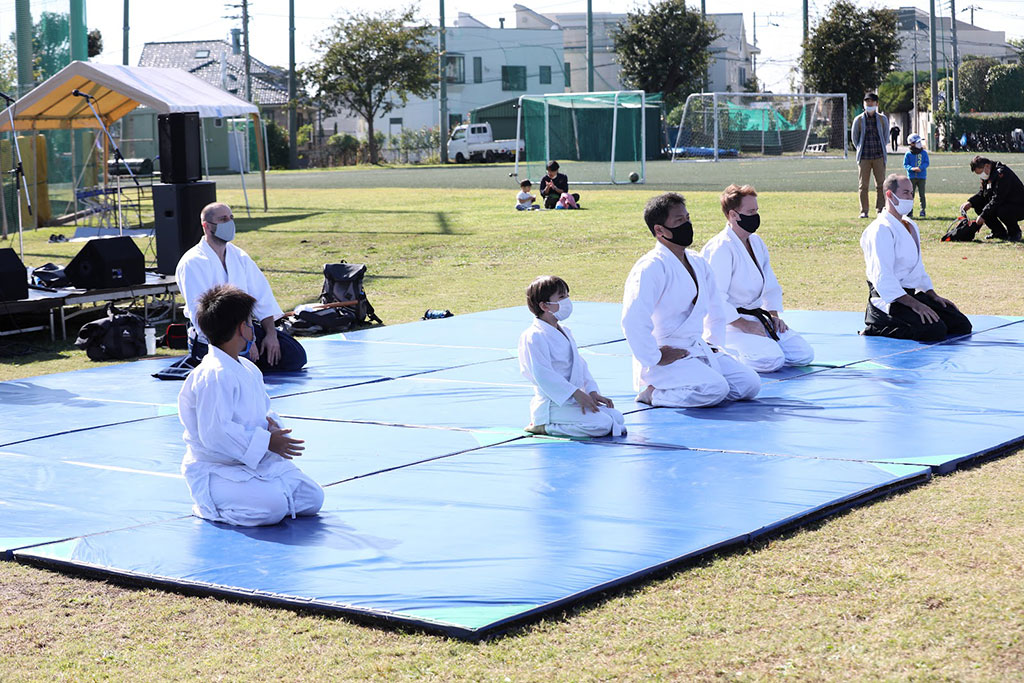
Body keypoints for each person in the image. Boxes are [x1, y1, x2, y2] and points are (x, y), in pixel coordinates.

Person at [178, 284, 324, 526]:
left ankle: (261, 491)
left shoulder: (248, 368)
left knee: (312, 497)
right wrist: (267, 442)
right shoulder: (214, 374)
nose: (253, 327)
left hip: (255, 459)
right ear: (241, 328)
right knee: (274, 508)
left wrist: (273, 429)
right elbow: (215, 433)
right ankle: (208, 505)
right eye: (250, 321)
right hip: (216, 468)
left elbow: (261, 411)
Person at [621, 193, 761, 408]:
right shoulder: (650, 267)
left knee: (749, 384)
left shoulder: (697, 261)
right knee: (715, 389)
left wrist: (713, 343)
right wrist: (655, 356)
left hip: (697, 348)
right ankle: (654, 394)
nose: (687, 225)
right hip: (663, 356)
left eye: (687, 219)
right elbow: (633, 320)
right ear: (659, 230)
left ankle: (695, 381)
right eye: (679, 221)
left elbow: (715, 309)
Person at [176, 202, 307, 372]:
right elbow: (202, 316)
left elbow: (262, 297)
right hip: (215, 338)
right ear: (206, 226)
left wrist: (270, 335)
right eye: (223, 219)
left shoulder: (238, 255)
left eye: (231, 218)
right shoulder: (192, 262)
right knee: (241, 363)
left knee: (294, 356)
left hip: (245, 330)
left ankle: (252, 362)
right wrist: (243, 341)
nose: (229, 223)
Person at [701, 184, 814, 373]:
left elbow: (770, 285)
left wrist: (773, 316)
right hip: (729, 325)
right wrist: (744, 325)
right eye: (750, 211)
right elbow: (715, 298)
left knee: (803, 355)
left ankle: (760, 343)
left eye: (757, 211)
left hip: (757, 317)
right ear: (733, 214)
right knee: (771, 360)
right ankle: (717, 352)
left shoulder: (755, 242)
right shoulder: (720, 248)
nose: (755, 216)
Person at [861, 174, 972, 341]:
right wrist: (915, 305)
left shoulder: (910, 225)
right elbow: (883, 277)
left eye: (911, 193)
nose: (910, 197)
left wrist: (932, 295)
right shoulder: (879, 229)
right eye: (905, 192)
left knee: (961, 324)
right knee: (934, 331)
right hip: (888, 300)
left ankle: (912, 313)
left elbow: (917, 268)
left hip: (910, 296)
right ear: (890, 195)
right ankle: (876, 325)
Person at [518, 275, 625, 437]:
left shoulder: (566, 332)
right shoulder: (534, 336)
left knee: (617, 417)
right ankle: (544, 426)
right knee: (602, 425)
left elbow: (580, 366)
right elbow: (543, 375)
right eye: (561, 297)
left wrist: (591, 392)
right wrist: (575, 393)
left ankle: (563, 420)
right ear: (544, 306)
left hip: (574, 398)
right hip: (553, 404)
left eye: (567, 296)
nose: (567, 301)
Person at [959, 156, 1024, 242]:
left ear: (987, 166)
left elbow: (998, 198)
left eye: (981, 173)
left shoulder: (1002, 173)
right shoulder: (988, 174)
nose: (981, 176)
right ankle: (999, 232)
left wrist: (983, 215)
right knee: (979, 205)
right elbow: (983, 194)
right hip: (1003, 203)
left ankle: (1015, 233)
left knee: (1002, 210)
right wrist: (970, 202)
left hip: (1018, 206)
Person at [850, 93, 890, 219]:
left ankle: (880, 209)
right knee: (863, 185)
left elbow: (885, 137)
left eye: (872, 102)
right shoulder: (859, 120)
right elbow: (855, 138)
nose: (869, 104)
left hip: (879, 156)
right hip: (864, 157)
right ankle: (864, 211)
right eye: (867, 102)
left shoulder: (883, 119)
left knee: (881, 184)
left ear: (877, 104)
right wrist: (860, 149)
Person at [903, 133, 929, 218]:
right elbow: (905, 164)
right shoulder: (908, 154)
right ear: (912, 143)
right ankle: (909, 211)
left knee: (922, 194)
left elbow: (926, 162)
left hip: (922, 177)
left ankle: (923, 210)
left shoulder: (924, 153)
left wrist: (921, 168)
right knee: (911, 194)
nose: (919, 144)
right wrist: (912, 169)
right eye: (917, 142)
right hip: (911, 177)